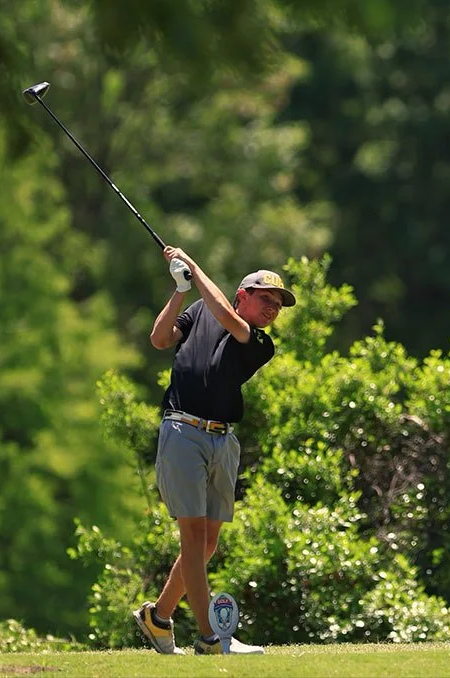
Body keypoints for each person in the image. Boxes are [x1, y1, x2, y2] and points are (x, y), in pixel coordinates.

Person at [132, 245, 295, 655]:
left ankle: (158, 617)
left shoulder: (259, 342)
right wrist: (180, 289)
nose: (273, 308)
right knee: (192, 538)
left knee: (207, 544)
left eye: (278, 305)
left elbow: (223, 312)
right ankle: (210, 639)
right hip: (183, 431)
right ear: (244, 294)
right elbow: (159, 338)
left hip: (223, 440)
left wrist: (193, 264)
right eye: (266, 299)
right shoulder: (201, 310)